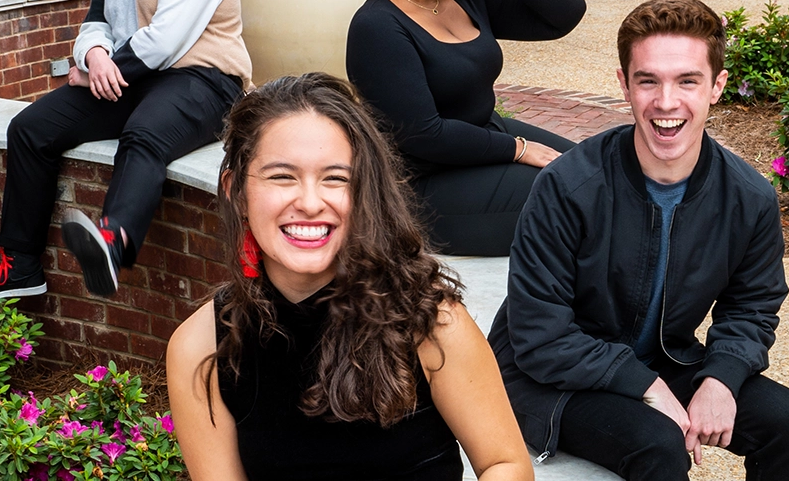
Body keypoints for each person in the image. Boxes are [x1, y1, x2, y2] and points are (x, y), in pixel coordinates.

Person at [487, 0, 789, 480]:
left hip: (661, 357)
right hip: (548, 378)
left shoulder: (748, 197)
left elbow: (752, 304)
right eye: (648, 81)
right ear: (624, 85)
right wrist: (649, 388)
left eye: (687, 80)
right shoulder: (566, 186)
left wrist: (721, 378)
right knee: (658, 445)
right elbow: (540, 334)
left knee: (788, 420)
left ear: (716, 87)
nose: (666, 102)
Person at [166, 73, 533, 481]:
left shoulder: (429, 320)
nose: (309, 202)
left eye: (336, 178)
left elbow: (506, 464)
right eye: (282, 176)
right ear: (237, 193)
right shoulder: (199, 350)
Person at [0, 0, 251, 299]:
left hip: (205, 79)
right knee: (30, 127)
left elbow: (168, 39)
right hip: (133, 77)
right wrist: (92, 56)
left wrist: (98, 71)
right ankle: (19, 264)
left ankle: (113, 241)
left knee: (144, 132)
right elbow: (94, 25)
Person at [343, 0, 586, 257]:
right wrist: (518, 149)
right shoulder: (376, 26)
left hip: (483, 136)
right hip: (424, 187)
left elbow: (566, 14)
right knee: (578, 195)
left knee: (597, 169)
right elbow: (424, 136)